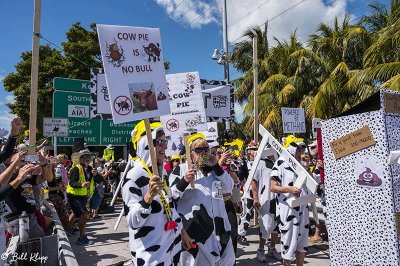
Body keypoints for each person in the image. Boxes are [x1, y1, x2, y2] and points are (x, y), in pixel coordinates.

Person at [122, 121, 184, 265]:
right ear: (146, 145)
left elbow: (170, 207)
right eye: (160, 141)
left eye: (165, 141)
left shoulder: (160, 173)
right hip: (150, 257)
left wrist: (182, 233)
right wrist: (148, 197)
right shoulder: (134, 176)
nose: (165, 146)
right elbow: (132, 221)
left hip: (170, 250)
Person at [169, 133, 235, 266]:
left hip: (221, 232)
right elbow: (171, 199)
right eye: (199, 150)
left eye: (206, 149)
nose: (203, 153)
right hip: (196, 234)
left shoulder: (214, 170)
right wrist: (184, 181)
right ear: (190, 152)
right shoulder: (180, 170)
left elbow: (229, 188)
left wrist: (216, 166)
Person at [270, 142, 310, 266]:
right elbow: (273, 187)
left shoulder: (302, 164)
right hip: (288, 210)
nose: (301, 152)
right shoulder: (281, 162)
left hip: (303, 208)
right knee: (288, 243)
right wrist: (289, 189)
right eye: (299, 149)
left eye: (303, 148)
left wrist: (307, 167)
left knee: (302, 243)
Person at [250, 148, 282, 262]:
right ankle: (261, 249)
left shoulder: (280, 162)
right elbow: (254, 181)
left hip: (278, 199)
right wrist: (255, 197)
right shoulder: (261, 162)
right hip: (265, 198)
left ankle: (272, 248)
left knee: (276, 226)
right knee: (266, 225)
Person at [66, 150, 103, 245]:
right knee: (83, 215)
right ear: (79, 159)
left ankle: (68, 229)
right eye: (84, 157)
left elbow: (99, 181)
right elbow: (72, 182)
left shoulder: (91, 169)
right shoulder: (76, 169)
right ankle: (82, 238)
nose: (87, 159)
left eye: (88, 157)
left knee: (76, 213)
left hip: (83, 195)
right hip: (73, 195)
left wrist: (95, 175)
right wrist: (81, 184)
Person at [237, 141, 257, 245]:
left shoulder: (260, 162)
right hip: (248, 192)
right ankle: (241, 235)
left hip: (259, 192)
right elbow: (240, 177)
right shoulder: (244, 163)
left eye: (255, 149)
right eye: (252, 150)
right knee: (247, 213)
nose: (254, 152)